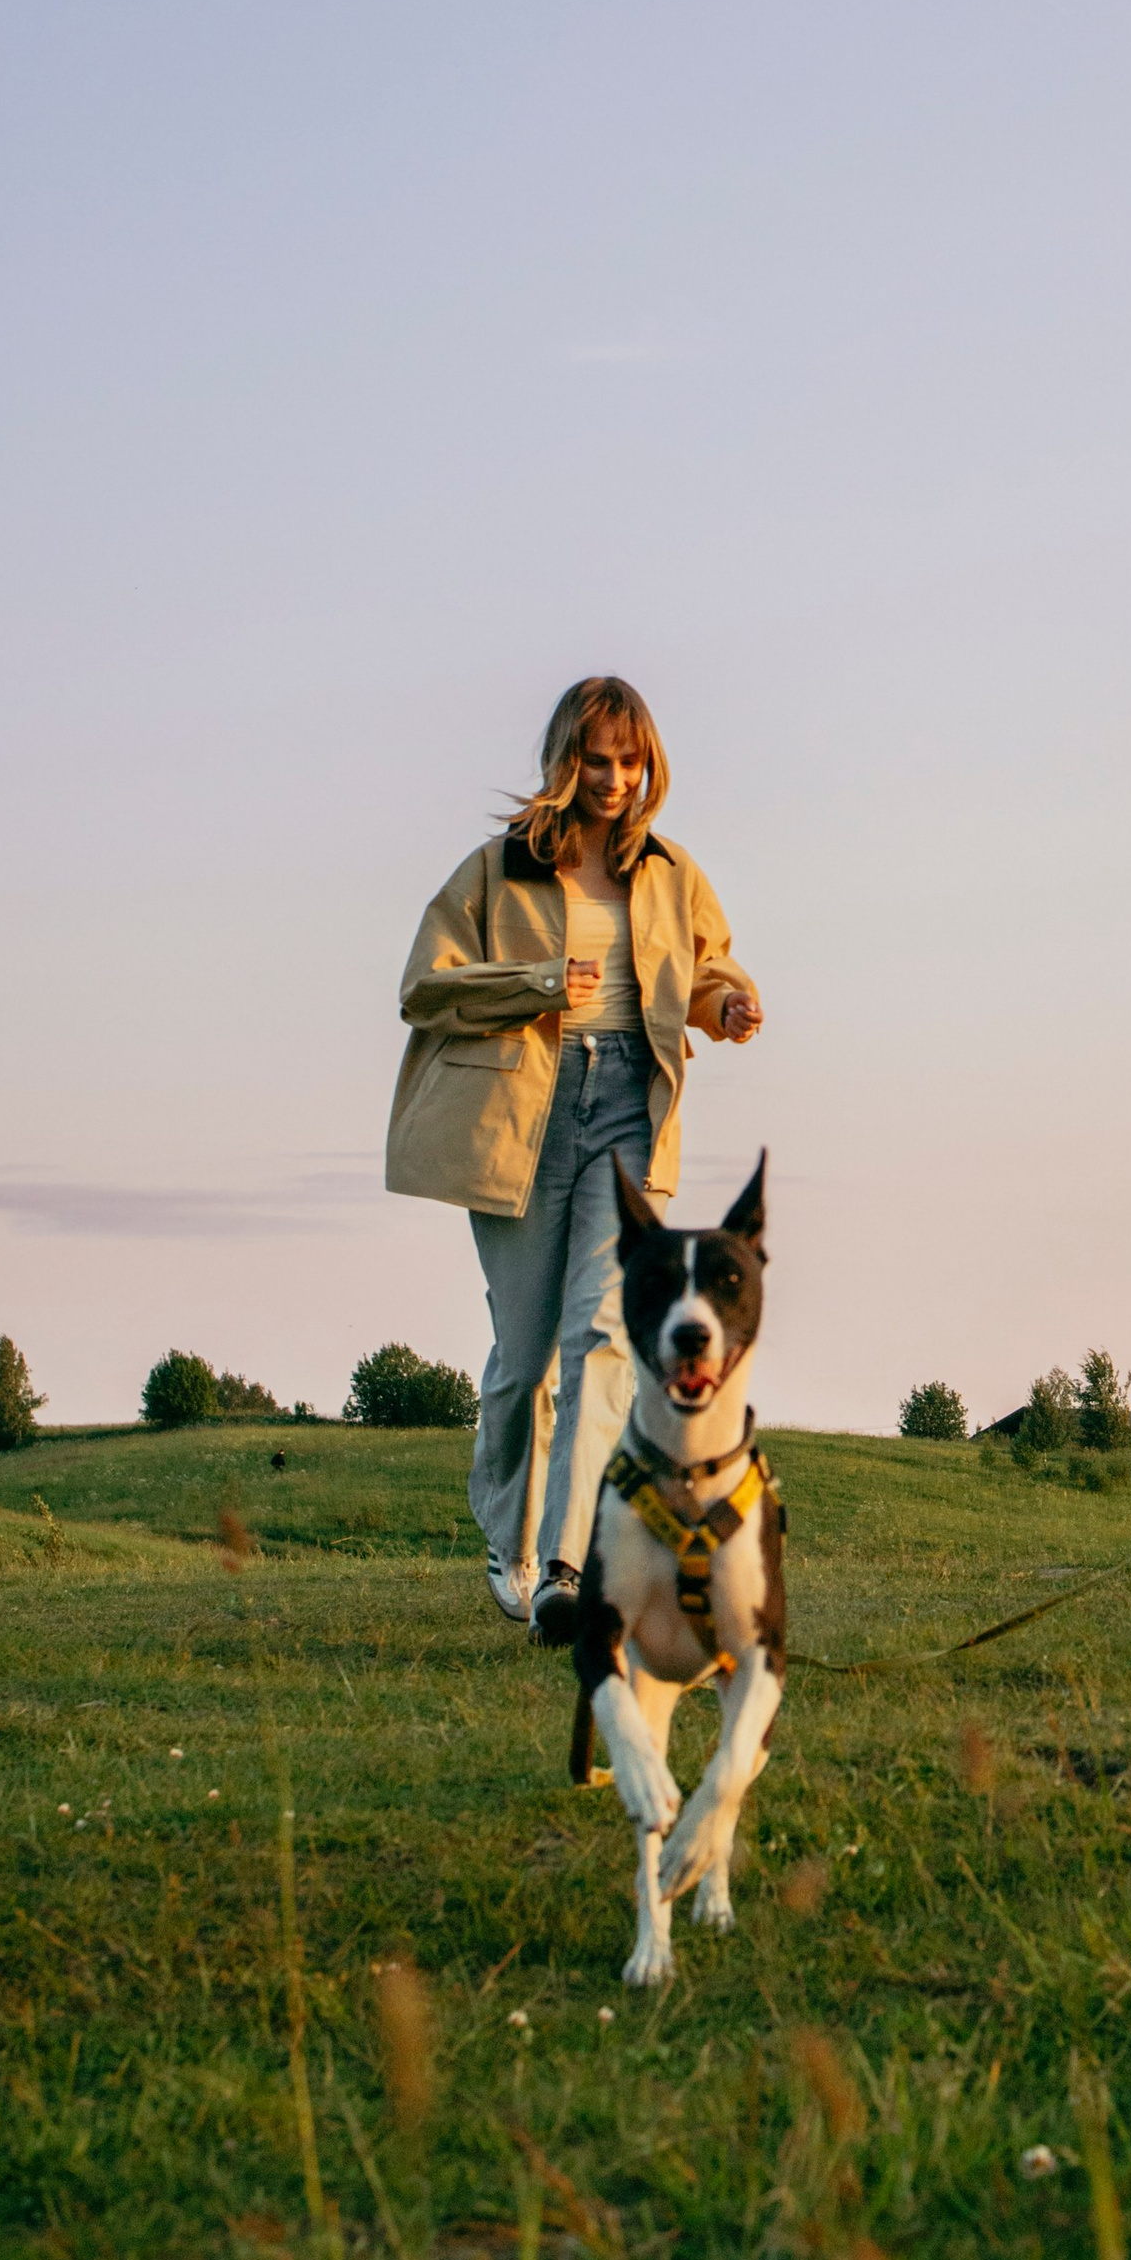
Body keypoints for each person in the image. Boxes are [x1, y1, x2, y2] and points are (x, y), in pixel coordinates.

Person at [386, 676, 762, 1642]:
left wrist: (724, 1005)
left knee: (601, 1335)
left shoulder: (669, 871)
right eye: (597, 760)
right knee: (525, 1361)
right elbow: (425, 987)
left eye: (630, 762)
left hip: (631, 1102)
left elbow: (706, 965)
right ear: (566, 760)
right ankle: (510, 1548)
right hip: (523, 1109)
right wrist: (543, 982)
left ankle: (568, 1565)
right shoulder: (499, 869)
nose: (613, 779)